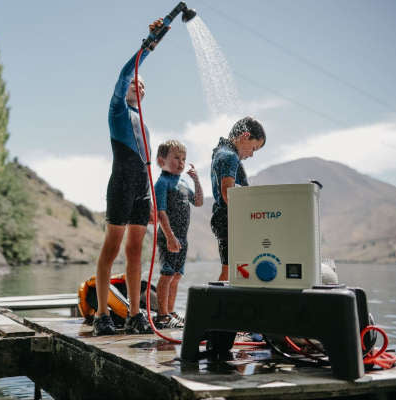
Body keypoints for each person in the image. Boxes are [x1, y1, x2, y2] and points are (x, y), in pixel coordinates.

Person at [93, 19, 166, 336]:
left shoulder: (144, 122)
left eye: (144, 86)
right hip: (121, 183)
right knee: (111, 247)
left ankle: (136, 314)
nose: (138, 85)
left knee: (135, 250)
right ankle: (101, 314)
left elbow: (147, 161)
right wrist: (148, 44)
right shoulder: (117, 110)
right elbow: (125, 74)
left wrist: (151, 195)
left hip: (142, 187)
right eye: (136, 83)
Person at [153, 140, 203, 328]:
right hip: (169, 236)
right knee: (166, 275)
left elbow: (198, 202)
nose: (181, 162)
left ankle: (171, 311)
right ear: (162, 161)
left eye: (183, 159)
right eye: (176, 158)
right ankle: (162, 315)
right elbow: (161, 213)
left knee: (177, 276)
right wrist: (170, 237)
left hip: (182, 237)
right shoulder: (162, 183)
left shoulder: (182, 182)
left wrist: (196, 180)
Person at [210, 116, 266, 281]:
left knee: (232, 269)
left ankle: (223, 304)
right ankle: (218, 305)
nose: (251, 155)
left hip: (223, 218)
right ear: (245, 136)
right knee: (230, 271)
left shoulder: (221, 152)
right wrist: (249, 216)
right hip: (229, 220)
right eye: (254, 149)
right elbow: (228, 193)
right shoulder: (229, 156)